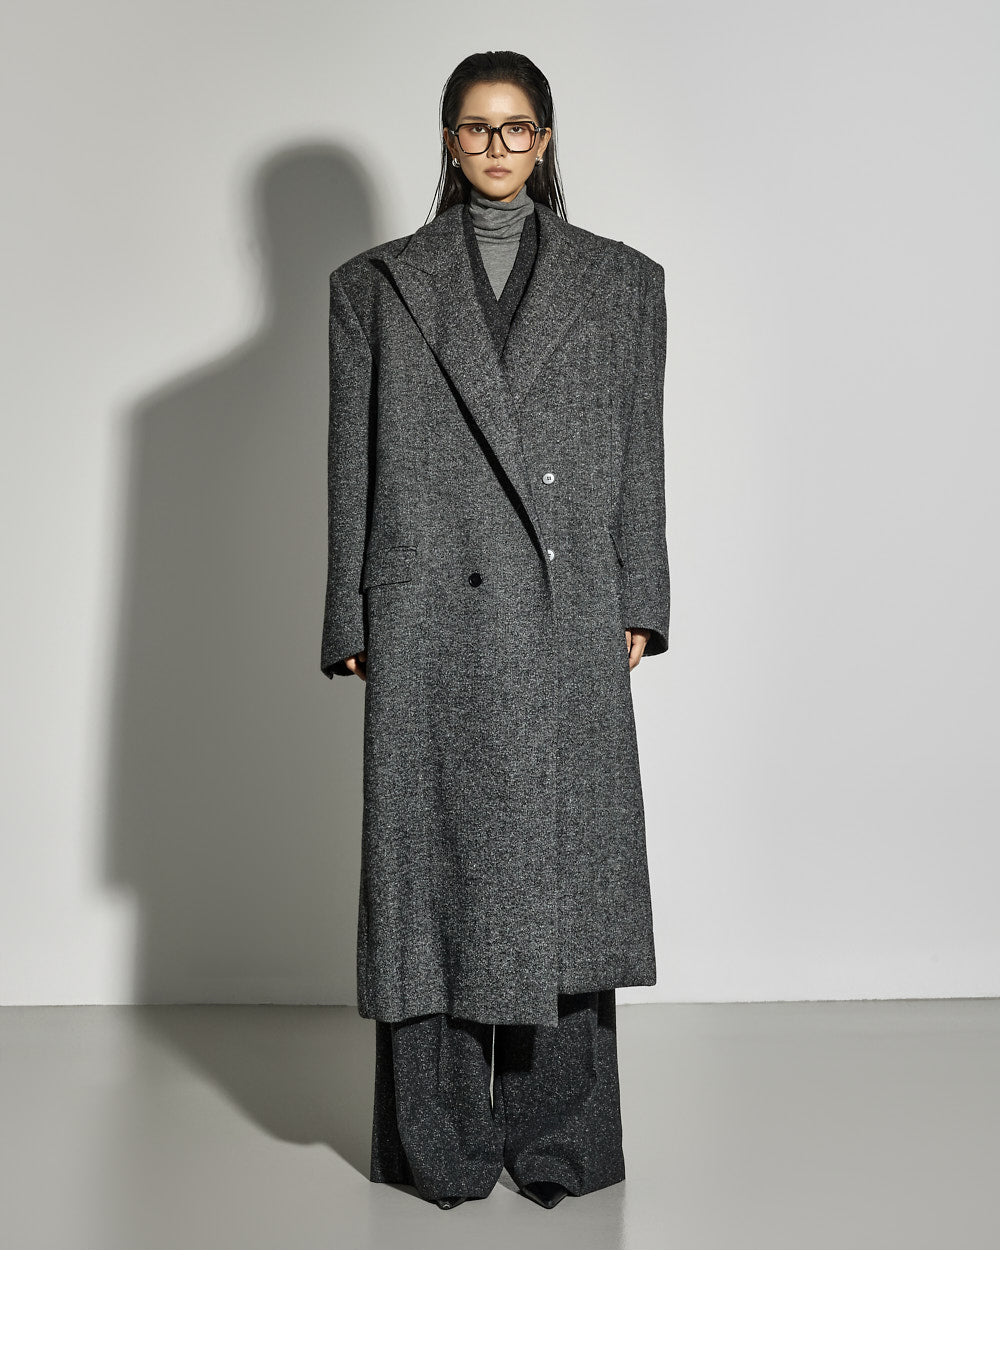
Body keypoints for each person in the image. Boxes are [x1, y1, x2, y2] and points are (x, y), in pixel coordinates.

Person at [321, 50, 670, 1210]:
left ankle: (559, 1141)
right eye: (475, 129)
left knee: (563, 877)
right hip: (429, 608)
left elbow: (640, 451)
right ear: (448, 140)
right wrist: (352, 609)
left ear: (546, 139)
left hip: (567, 609)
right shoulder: (376, 285)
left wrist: (638, 596)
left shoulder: (622, 282)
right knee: (429, 886)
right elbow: (351, 461)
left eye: (516, 129)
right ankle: (439, 1149)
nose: (496, 149)